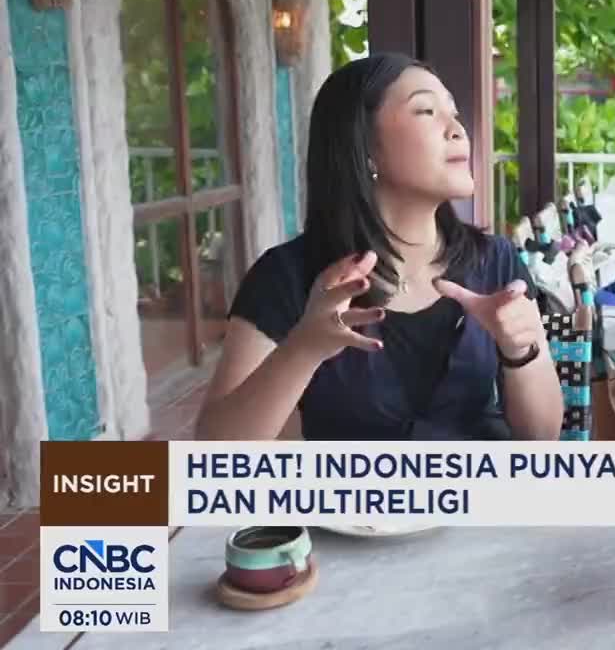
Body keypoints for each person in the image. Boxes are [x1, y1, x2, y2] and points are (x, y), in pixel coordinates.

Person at [197, 53, 564, 441]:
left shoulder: (495, 262)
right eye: (426, 110)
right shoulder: (289, 276)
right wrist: (303, 348)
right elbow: (213, 450)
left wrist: (520, 350)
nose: (457, 129)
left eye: (454, 113)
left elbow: (542, 436)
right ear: (365, 145)